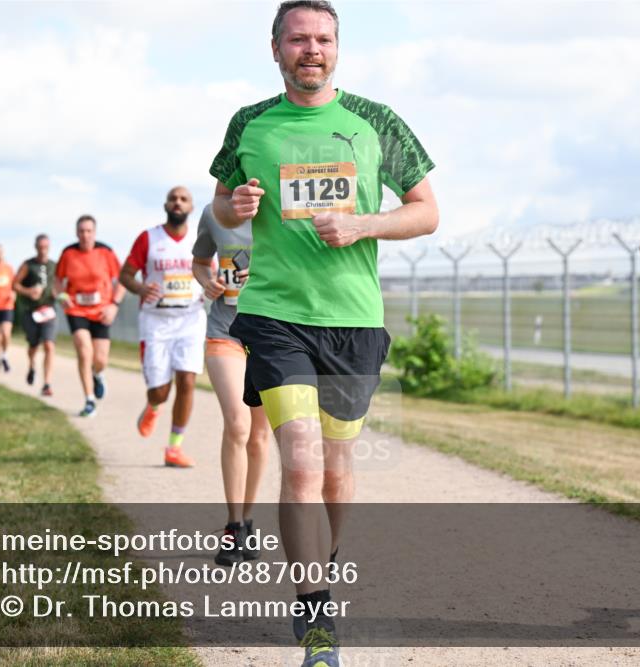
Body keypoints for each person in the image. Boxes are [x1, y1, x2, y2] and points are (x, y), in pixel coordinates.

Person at [209, 2, 438, 664]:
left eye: (324, 39)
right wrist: (236, 205)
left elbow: (427, 212)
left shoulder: (376, 122)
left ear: (337, 48)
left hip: (353, 319)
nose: (312, 49)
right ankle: (314, 615)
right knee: (302, 461)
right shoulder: (250, 123)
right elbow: (222, 199)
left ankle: (323, 561)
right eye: (298, 39)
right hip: (277, 315)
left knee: (337, 470)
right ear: (275, 47)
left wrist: (365, 223)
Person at [192, 203, 271, 563]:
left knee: (259, 435)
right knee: (238, 424)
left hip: (272, 333)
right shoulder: (214, 213)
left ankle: (248, 519)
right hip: (225, 331)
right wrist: (207, 281)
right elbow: (199, 261)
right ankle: (233, 525)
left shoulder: (283, 210)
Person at [119, 187, 206, 468]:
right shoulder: (149, 238)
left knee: (188, 381)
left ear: (191, 207)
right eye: (173, 198)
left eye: (183, 199)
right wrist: (141, 288)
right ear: (165, 205)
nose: (177, 203)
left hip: (190, 319)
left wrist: (211, 285)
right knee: (160, 391)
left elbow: (212, 271)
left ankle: (174, 448)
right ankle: (153, 405)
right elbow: (125, 275)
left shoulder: (201, 238)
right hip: (156, 322)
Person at [56, 215, 125, 418]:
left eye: (89, 231)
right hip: (76, 309)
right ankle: (89, 400)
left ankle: (98, 374)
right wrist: (62, 295)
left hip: (101, 310)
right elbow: (58, 280)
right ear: (76, 233)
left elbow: (121, 280)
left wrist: (114, 305)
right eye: (81, 231)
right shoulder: (68, 253)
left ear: (94, 232)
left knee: (100, 359)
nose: (85, 235)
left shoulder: (106, 252)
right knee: (84, 352)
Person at [14, 234, 58, 397]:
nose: (43, 251)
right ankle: (32, 365)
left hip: (49, 311)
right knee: (33, 346)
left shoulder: (55, 266)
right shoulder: (28, 265)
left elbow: (61, 285)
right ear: (36, 247)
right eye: (40, 247)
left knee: (49, 345)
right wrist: (29, 291)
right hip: (31, 312)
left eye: (46, 247)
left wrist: (58, 292)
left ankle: (47, 383)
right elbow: (15, 284)